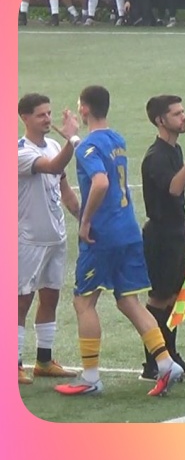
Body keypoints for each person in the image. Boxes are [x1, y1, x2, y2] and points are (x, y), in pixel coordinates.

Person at [53, 85, 183, 397]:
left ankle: (90, 377)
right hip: (128, 229)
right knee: (128, 300)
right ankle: (166, 363)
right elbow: (93, 152)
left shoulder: (89, 147)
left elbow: (100, 182)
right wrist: (73, 138)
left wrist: (85, 221)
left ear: (84, 109)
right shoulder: (117, 139)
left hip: (103, 235)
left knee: (84, 301)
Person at [139, 95, 185, 381]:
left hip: (175, 233)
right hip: (160, 237)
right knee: (159, 298)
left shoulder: (173, 150)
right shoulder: (156, 156)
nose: (184, 117)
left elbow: (177, 200)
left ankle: (170, 356)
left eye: (183, 111)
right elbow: (175, 188)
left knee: (174, 297)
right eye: (177, 114)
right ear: (160, 120)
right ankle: (153, 363)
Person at [17, 93, 81, 384]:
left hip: (56, 238)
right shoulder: (19, 151)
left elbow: (64, 189)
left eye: (49, 113)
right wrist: (72, 140)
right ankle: (13, 362)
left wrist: (84, 219)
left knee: (50, 297)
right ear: (25, 118)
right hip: (28, 240)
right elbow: (53, 167)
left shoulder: (54, 146)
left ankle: (43, 361)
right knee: (21, 301)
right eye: (41, 114)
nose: (47, 119)